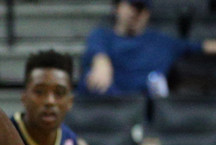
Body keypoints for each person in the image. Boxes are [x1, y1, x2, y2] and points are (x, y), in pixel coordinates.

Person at [80, 0, 216, 96]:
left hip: (144, 108)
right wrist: (101, 63)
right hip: (110, 103)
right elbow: (97, 53)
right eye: (132, 5)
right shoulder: (102, 35)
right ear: (117, 8)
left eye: (141, 7)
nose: (136, 12)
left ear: (148, 13)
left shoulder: (162, 42)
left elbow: (201, 46)